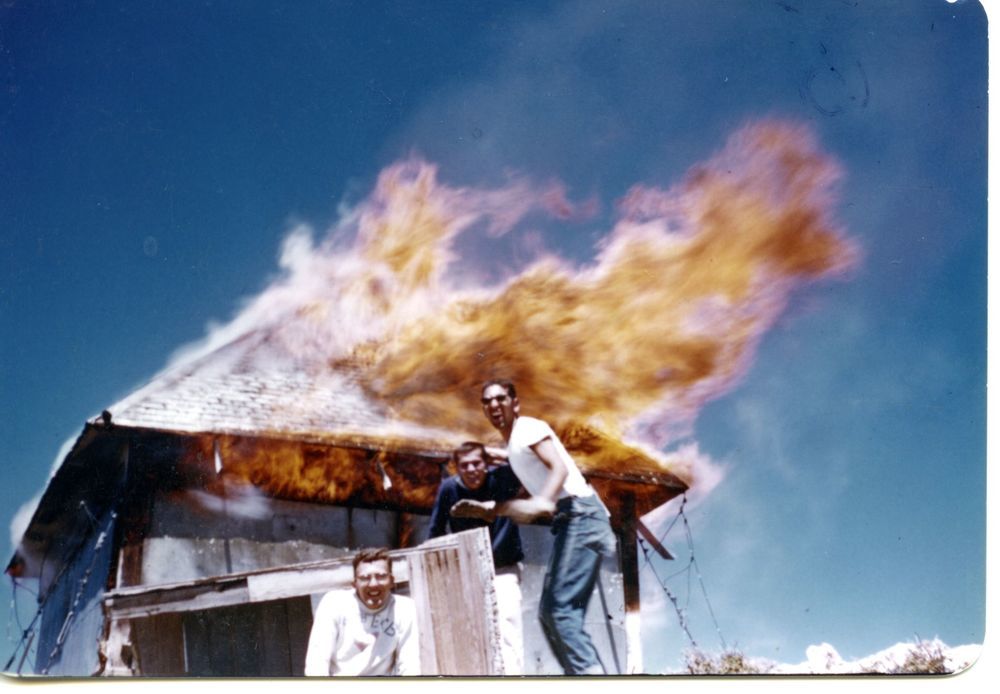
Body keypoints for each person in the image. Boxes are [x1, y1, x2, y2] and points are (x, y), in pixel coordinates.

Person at [453, 379, 617, 676]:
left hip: (580, 514)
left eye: (501, 399)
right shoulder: (514, 446)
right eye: (487, 402)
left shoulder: (527, 428)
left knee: (559, 612)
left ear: (515, 404)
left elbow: (559, 467)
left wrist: (544, 500)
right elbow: (532, 485)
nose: (494, 406)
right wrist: (495, 509)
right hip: (572, 520)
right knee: (551, 614)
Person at [428, 441, 526, 674]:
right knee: (470, 632)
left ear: (486, 463)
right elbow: (436, 530)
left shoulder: (501, 480)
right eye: (465, 465)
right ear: (457, 468)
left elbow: (524, 462)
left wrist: (496, 455)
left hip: (503, 569)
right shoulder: (449, 489)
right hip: (466, 569)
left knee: (508, 632)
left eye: (477, 463)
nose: (472, 469)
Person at [304, 548, 420, 676]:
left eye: (381, 576)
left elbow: (410, 665)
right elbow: (316, 664)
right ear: (354, 584)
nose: (373, 584)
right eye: (365, 578)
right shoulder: (333, 603)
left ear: (392, 581)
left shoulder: (405, 608)